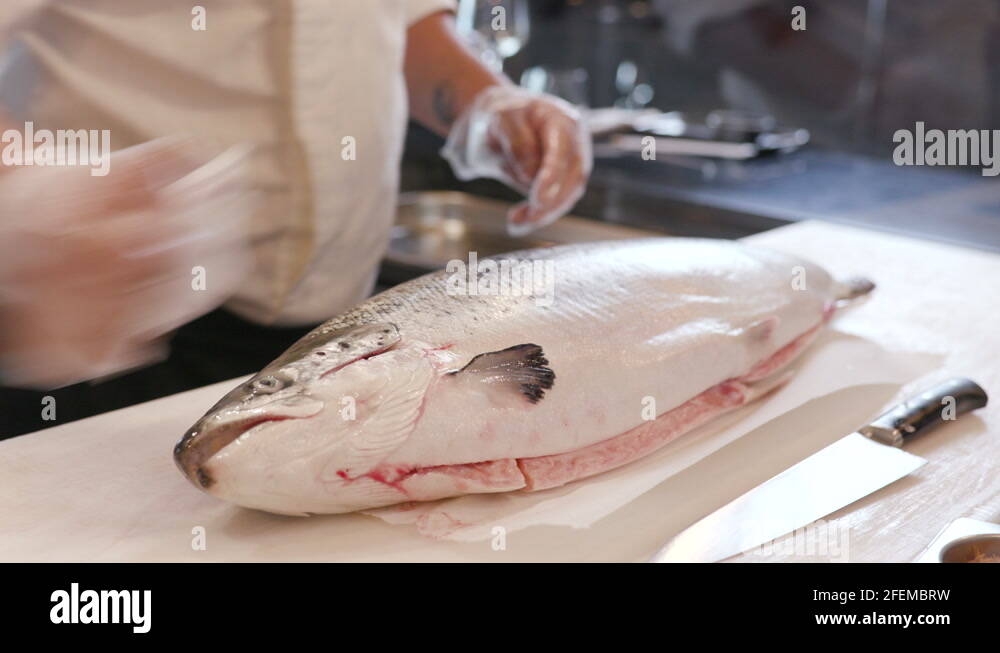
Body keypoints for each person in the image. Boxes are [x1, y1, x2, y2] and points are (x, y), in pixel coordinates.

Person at [0, 1, 591, 438]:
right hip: (108, 330)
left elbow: (402, 19)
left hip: (344, 338)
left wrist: (484, 104)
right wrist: (26, 194)